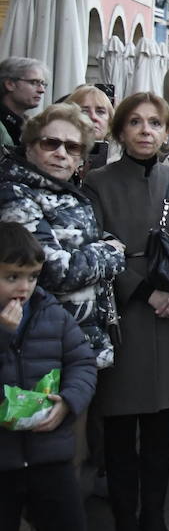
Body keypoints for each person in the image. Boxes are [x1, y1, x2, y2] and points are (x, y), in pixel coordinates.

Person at [86, 93, 169, 531]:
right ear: (120, 131)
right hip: (125, 314)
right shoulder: (97, 182)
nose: (144, 131)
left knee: (161, 431)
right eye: (135, 122)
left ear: (166, 131)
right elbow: (95, 244)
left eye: (154, 123)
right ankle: (124, 522)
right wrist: (143, 290)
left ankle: (153, 516)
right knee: (121, 433)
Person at [0, 102, 125, 369]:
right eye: (50, 143)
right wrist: (111, 253)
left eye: (72, 147)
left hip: (79, 344)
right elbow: (53, 270)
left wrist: (102, 243)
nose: (61, 153)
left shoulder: (64, 191)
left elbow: (81, 241)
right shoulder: (15, 194)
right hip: (40, 348)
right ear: (30, 146)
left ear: (81, 158)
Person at [0, 222, 98, 531]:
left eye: (32, 276)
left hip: (50, 455)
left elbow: (82, 363)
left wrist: (69, 402)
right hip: (4, 461)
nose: (23, 287)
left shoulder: (52, 315)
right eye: (12, 277)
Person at [65, 84, 118, 176]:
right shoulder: (57, 156)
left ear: (110, 120)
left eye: (100, 111)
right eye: (84, 111)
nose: (93, 117)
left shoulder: (120, 165)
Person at [0, 57, 48, 147]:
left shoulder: (31, 126)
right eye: (34, 82)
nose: (42, 90)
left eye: (43, 84)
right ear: (10, 84)